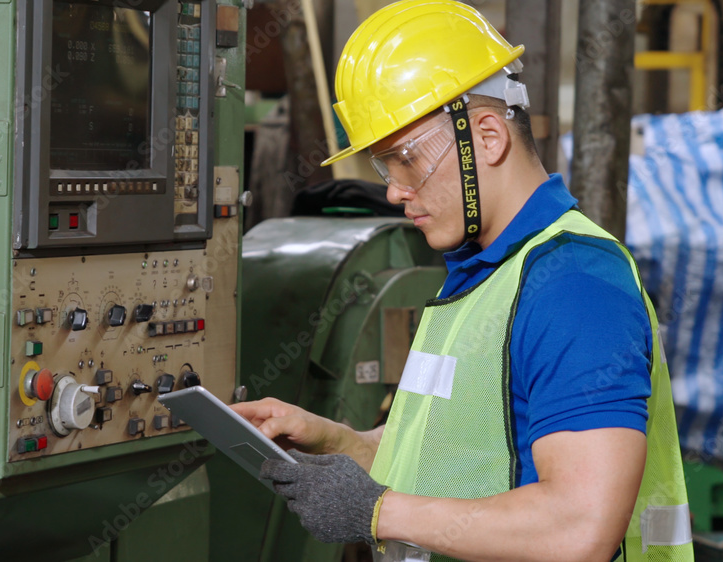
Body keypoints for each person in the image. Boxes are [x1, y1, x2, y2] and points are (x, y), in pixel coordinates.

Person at [231, 1, 694, 560]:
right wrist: (335, 441)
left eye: (405, 159)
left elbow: (580, 526)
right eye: (383, 166)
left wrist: (377, 510)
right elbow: (448, 463)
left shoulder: (573, 284)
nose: (394, 191)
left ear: (490, 136)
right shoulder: (484, 274)